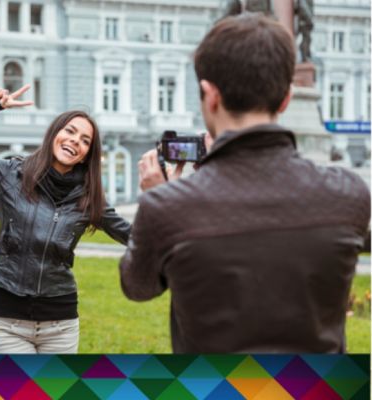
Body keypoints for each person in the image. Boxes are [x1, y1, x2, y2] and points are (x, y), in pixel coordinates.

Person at [119, 14, 370, 353]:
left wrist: (162, 196)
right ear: (286, 98)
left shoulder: (167, 206)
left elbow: (137, 286)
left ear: (210, 96)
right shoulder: (348, 194)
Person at [0, 85, 131, 353]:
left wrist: (167, 195)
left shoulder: (89, 198)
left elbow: (135, 236)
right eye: (70, 131)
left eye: (85, 140)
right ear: (54, 134)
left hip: (60, 324)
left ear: (88, 155)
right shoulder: (10, 174)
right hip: (8, 320)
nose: (75, 141)